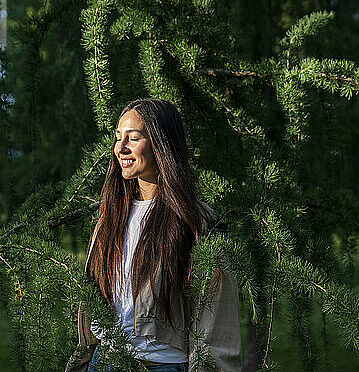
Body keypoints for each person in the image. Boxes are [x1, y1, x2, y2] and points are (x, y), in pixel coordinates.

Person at [65, 99, 241, 372]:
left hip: (161, 365)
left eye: (133, 138)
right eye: (117, 137)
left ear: (161, 144)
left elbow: (216, 316)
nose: (120, 148)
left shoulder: (192, 221)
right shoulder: (110, 215)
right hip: (105, 361)